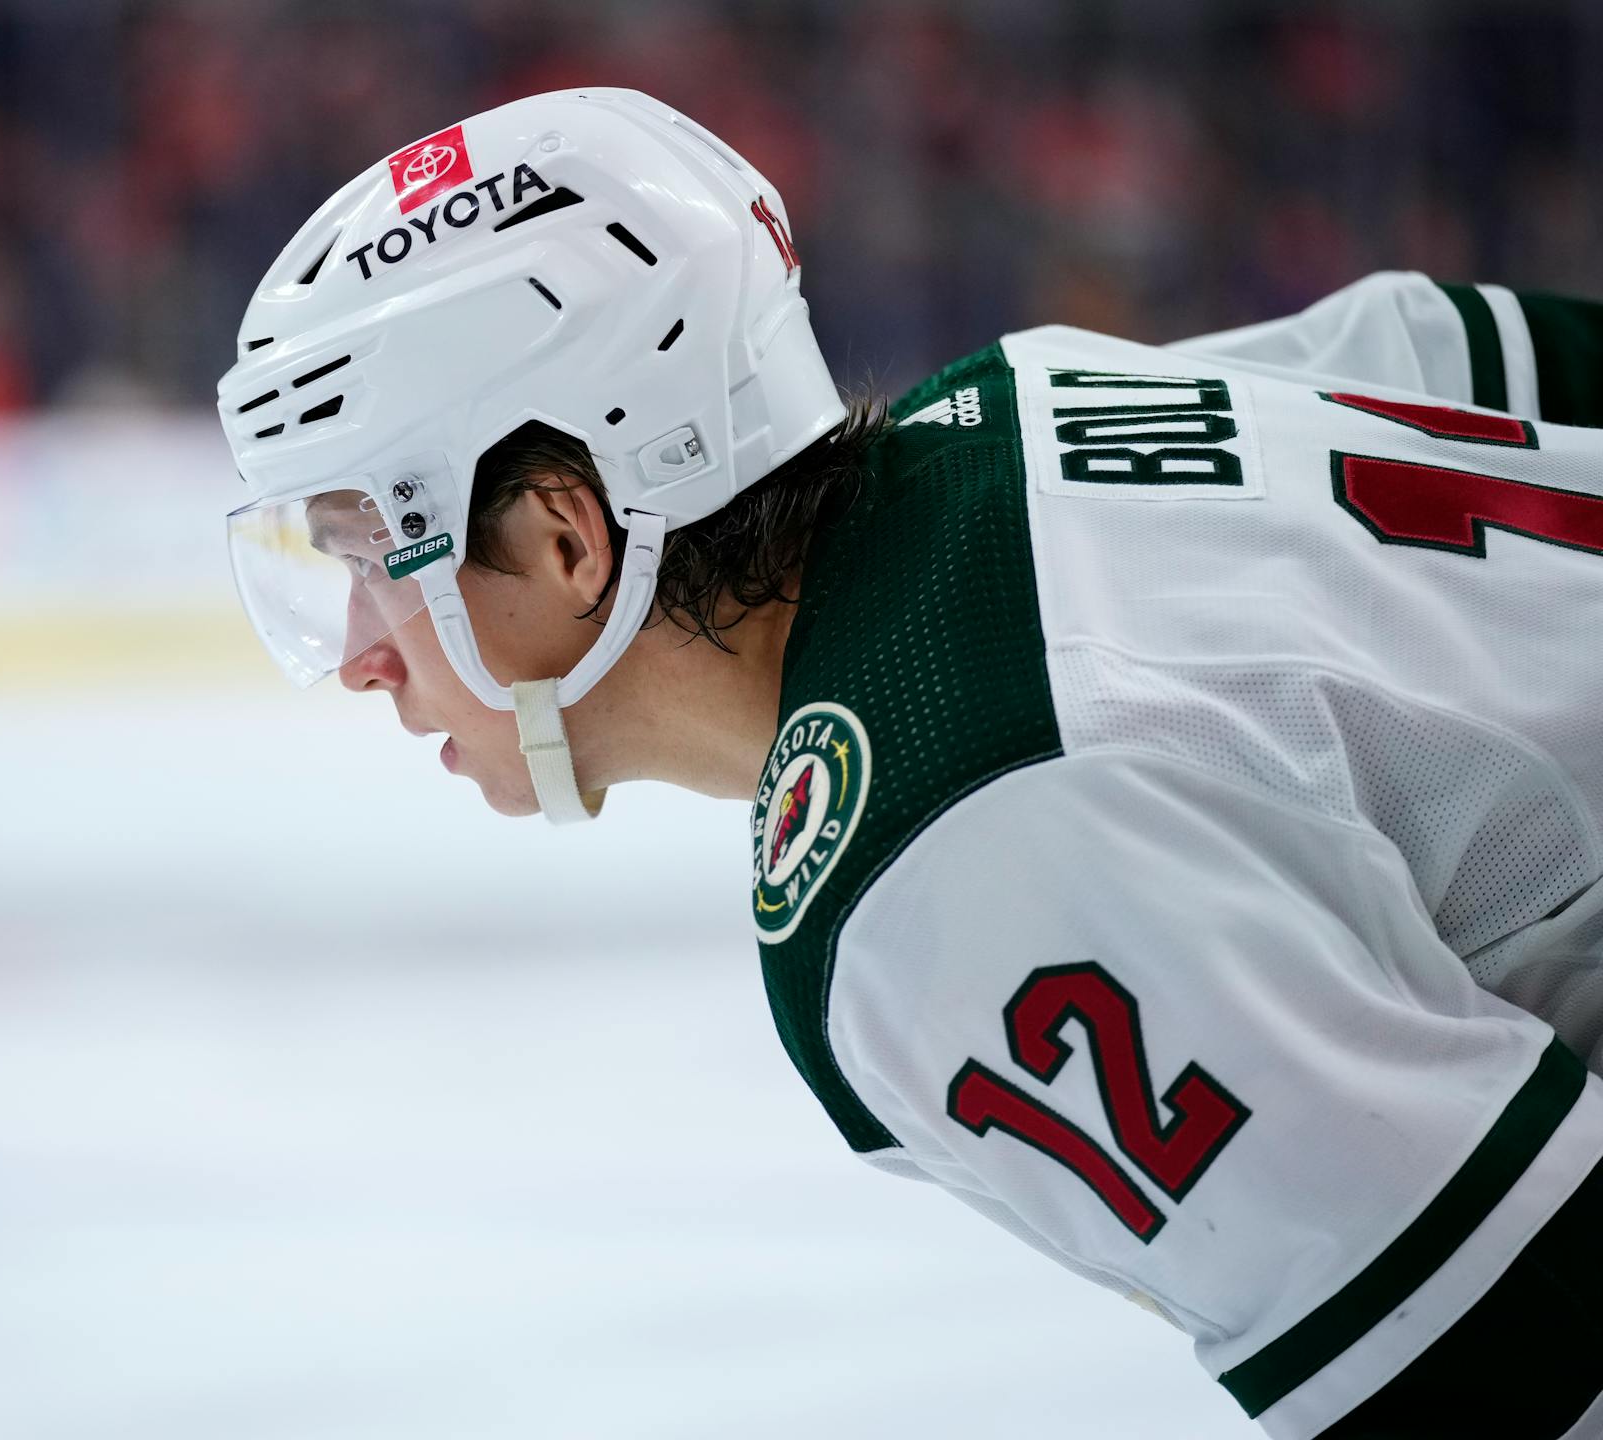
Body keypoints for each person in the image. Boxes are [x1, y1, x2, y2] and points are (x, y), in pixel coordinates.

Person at [217, 89, 1603, 1437]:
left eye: (364, 559)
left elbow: (1522, 1354)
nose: (359, 652)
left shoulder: (938, 856)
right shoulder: (1018, 396)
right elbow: (1484, 351)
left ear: (569, 539)